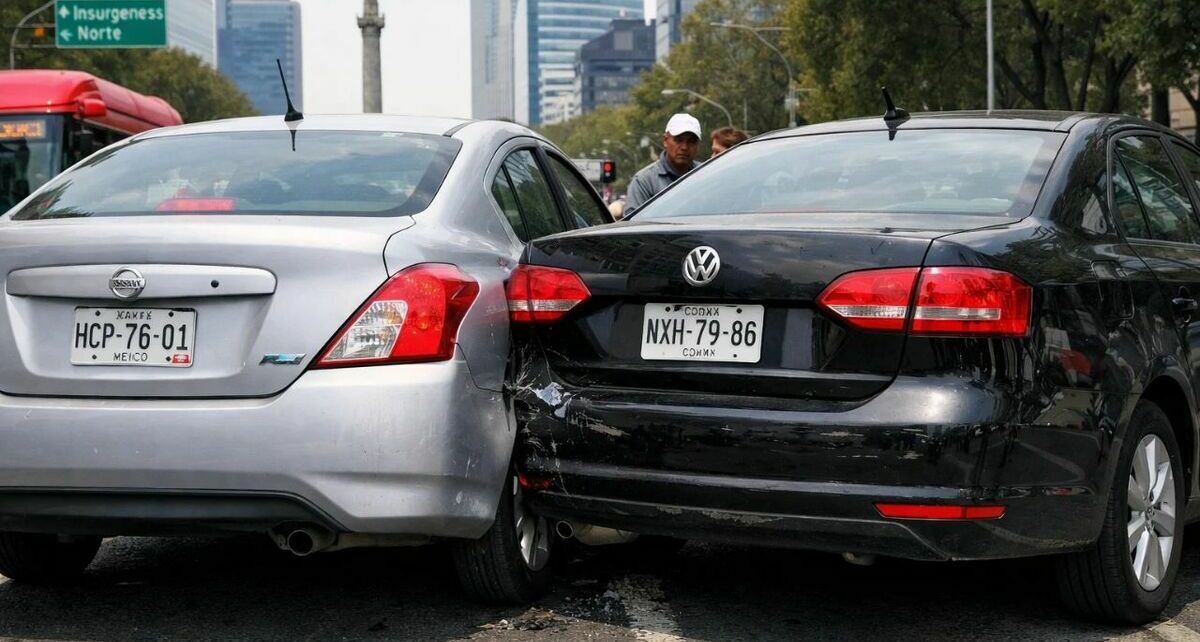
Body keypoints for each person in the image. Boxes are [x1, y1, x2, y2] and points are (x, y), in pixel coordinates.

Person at [625, 113, 701, 213]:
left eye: (691, 141)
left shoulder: (707, 174)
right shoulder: (644, 182)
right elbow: (634, 225)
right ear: (665, 140)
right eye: (679, 140)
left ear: (697, 145)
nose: (684, 147)